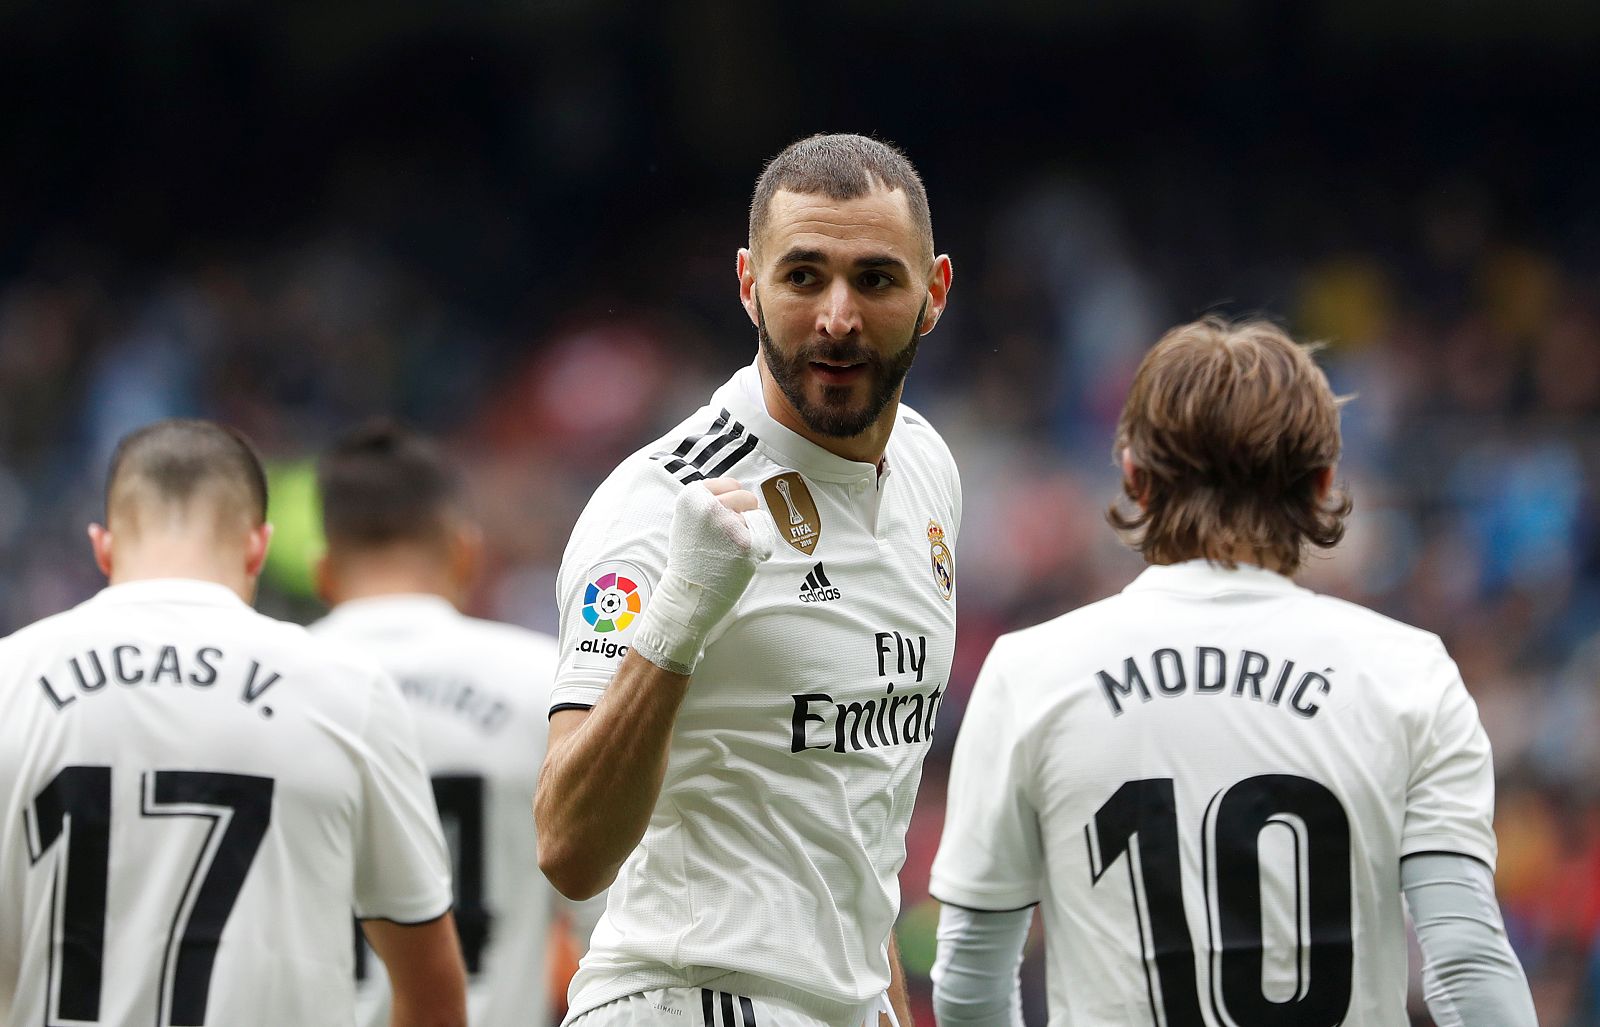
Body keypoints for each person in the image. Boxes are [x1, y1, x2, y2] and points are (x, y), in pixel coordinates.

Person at [928, 318, 1537, 1026]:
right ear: (1323, 482)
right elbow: (1467, 963)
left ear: (1133, 475)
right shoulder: (1410, 673)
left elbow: (970, 978)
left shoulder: (1030, 672)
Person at [535, 132, 959, 1027]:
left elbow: (853, 817)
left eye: (876, 280)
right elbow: (568, 847)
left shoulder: (926, 470)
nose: (837, 317)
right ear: (746, 284)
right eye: (803, 276)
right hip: (684, 998)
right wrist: (679, 616)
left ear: (934, 294)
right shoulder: (658, 509)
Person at [0, 419, 466, 1027]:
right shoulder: (346, 689)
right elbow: (431, 982)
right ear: (259, 546)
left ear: (103, 546)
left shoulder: (11, 677)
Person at [311, 420, 593, 1027]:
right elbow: (611, 932)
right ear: (465, 552)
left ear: (324, 570)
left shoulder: (271, 691)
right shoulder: (551, 686)